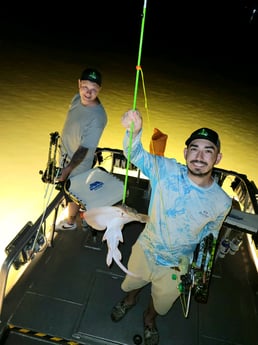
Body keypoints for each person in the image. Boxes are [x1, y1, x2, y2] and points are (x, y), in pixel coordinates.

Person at [110, 109, 232, 345]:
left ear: (217, 158)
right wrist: (133, 131)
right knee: (134, 281)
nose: (199, 156)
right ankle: (130, 300)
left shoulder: (222, 202)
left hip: (178, 266)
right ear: (185, 152)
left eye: (208, 151)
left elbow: (210, 236)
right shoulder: (165, 171)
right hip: (146, 248)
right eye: (194, 149)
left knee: (161, 300)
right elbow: (133, 153)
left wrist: (200, 271)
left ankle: (149, 319)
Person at [56, 68, 108, 230]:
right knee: (65, 190)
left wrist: (68, 169)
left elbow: (84, 148)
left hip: (78, 163)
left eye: (93, 89)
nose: (88, 93)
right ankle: (76, 210)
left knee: (74, 194)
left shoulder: (98, 117)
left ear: (99, 90)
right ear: (79, 83)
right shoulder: (76, 98)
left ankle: (71, 222)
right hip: (64, 155)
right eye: (85, 87)